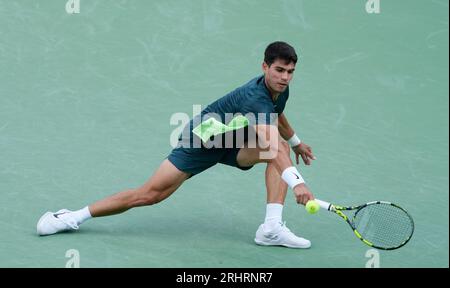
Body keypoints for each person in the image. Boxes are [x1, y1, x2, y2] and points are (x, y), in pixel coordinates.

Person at [37, 41, 316, 249]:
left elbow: (276, 114)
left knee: (277, 149)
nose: (285, 77)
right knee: (149, 195)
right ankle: (71, 217)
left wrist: (297, 142)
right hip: (201, 141)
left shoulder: (279, 89)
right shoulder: (254, 96)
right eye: (279, 70)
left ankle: (270, 228)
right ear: (264, 66)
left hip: (235, 139)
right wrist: (298, 184)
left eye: (290, 72)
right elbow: (270, 136)